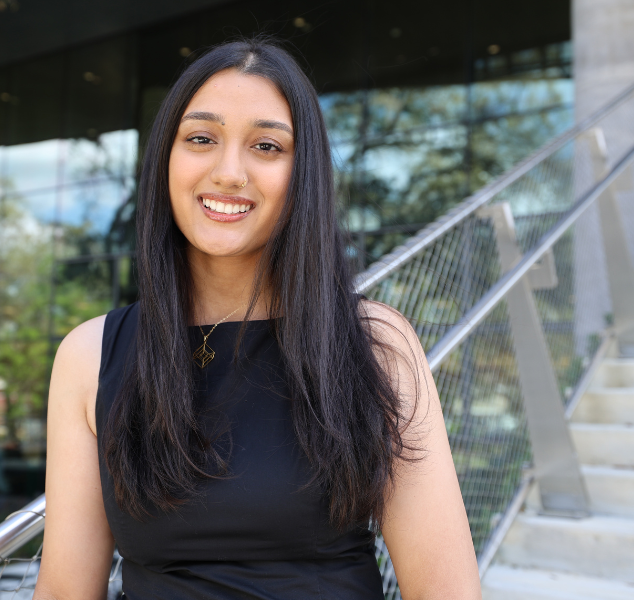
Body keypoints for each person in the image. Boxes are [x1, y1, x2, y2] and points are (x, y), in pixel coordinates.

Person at [34, 38, 481, 600]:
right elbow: (64, 590)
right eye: (201, 138)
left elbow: (446, 591)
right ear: (166, 157)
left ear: (303, 173)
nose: (229, 173)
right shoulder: (90, 356)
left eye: (266, 146)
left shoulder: (376, 346)